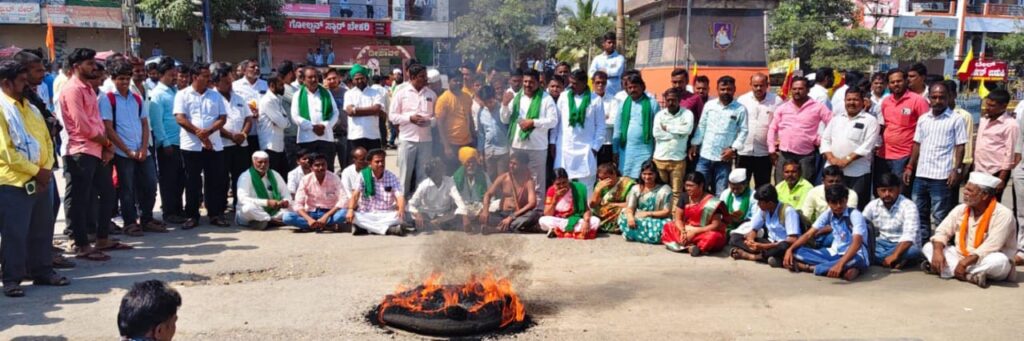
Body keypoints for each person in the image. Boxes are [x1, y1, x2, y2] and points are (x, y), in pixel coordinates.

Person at [0, 60, 68, 297]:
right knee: (15, 233)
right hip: (13, 181)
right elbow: (6, 152)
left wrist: (46, 169)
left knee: (42, 228)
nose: (26, 84)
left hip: (41, 176)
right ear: (6, 83)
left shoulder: (31, 107)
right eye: (21, 80)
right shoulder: (1, 108)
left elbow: (47, 140)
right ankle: (11, 279)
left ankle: (42, 271)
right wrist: (36, 171)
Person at [59, 48, 120, 260]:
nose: (94, 67)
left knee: (108, 194)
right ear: (77, 67)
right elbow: (82, 126)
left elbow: (95, 122)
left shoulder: (87, 88)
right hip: (80, 151)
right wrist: (106, 143)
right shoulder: (72, 89)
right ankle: (81, 244)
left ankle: (102, 238)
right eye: (89, 63)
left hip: (96, 149)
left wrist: (105, 146)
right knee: (81, 200)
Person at [100, 59, 163, 236]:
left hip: (142, 149)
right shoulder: (108, 99)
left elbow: (144, 123)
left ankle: (147, 218)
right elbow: (108, 128)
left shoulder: (136, 98)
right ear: (113, 79)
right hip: (122, 151)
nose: (125, 82)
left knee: (150, 184)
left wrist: (143, 148)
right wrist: (127, 151)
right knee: (127, 189)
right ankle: (130, 222)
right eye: (121, 79)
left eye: (127, 78)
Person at [922, 172, 1017, 288]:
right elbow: (942, 231)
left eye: (970, 191)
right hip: (961, 256)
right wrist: (937, 251)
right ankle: (969, 276)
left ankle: (949, 270)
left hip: (986, 259)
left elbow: (992, 245)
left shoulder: (1003, 214)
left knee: (999, 261)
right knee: (929, 247)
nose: (964, 193)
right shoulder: (961, 209)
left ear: (985, 195)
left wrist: (964, 263)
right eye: (965, 189)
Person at [906, 82, 966, 243]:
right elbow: (917, 144)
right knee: (920, 214)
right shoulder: (923, 119)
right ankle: (924, 247)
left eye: (942, 97)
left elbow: (960, 146)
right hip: (921, 174)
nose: (938, 100)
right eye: (934, 97)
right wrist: (910, 166)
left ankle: (941, 247)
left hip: (941, 176)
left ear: (948, 98)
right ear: (929, 98)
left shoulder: (956, 119)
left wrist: (956, 170)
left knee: (940, 215)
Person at [174, 62, 230, 228]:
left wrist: (209, 132)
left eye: (208, 76)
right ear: (194, 77)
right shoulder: (182, 95)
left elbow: (222, 118)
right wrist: (200, 134)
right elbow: (180, 119)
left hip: (214, 144)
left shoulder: (215, 95)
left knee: (215, 180)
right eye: (205, 76)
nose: (208, 79)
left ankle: (215, 214)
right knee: (192, 181)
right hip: (191, 146)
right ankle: (192, 215)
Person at [783, 185, 870, 281]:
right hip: (834, 253)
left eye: (841, 202)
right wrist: (790, 249)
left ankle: (810, 268)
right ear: (828, 203)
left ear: (846, 200)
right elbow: (809, 234)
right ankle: (840, 269)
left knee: (856, 260)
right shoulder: (828, 214)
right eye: (834, 203)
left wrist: (839, 264)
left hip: (855, 254)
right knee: (797, 252)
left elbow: (857, 244)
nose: (838, 206)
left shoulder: (855, 215)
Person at [500, 68, 556, 201]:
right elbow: (504, 119)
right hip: (517, 145)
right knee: (517, 178)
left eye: (531, 82)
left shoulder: (546, 99)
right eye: (525, 81)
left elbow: (553, 121)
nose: (527, 85)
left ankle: (537, 211)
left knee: (537, 181)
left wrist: (533, 122)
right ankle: (518, 207)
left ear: (538, 83)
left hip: (537, 147)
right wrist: (504, 105)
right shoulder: (516, 97)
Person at [821, 86, 878, 210]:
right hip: (834, 172)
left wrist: (846, 160)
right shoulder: (836, 119)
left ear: (863, 101)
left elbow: (867, 146)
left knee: (856, 206)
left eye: (855, 99)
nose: (851, 102)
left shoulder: (870, 121)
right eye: (848, 99)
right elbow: (825, 140)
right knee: (832, 205)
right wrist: (832, 159)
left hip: (858, 173)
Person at [767, 76, 831, 184]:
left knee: (805, 187)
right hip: (785, 154)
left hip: (806, 156)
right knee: (781, 186)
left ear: (808, 90)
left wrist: (820, 140)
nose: (797, 91)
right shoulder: (783, 107)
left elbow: (832, 124)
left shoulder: (818, 107)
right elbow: (772, 128)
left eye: (800, 88)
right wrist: (771, 149)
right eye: (794, 89)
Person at [689, 76, 747, 195]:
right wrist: (695, 143)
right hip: (705, 155)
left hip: (724, 158)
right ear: (717, 89)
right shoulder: (710, 105)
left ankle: (717, 214)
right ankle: (699, 213)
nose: (726, 92)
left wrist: (733, 149)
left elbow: (744, 131)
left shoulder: (740, 109)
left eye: (729, 89)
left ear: (734, 89)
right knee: (699, 189)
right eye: (723, 89)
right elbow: (702, 125)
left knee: (721, 192)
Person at [876, 69, 929, 194]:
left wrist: (913, 162)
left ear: (906, 81)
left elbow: (927, 129)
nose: (896, 84)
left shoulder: (918, 101)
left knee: (899, 193)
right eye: (892, 82)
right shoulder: (885, 102)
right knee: (881, 192)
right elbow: (883, 126)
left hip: (904, 156)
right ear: (888, 84)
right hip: (883, 155)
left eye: (899, 81)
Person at [553, 70, 605, 198]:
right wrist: (552, 143)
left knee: (586, 185)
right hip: (565, 147)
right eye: (570, 83)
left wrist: (594, 148)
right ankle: (565, 213)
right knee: (564, 183)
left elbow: (601, 127)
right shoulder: (564, 96)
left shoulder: (596, 100)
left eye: (575, 83)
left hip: (586, 150)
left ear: (583, 83)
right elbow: (556, 122)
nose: (571, 86)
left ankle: (585, 213)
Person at [147, 57, 186, 224]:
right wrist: (164, 142)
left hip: (181, 141)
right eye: (171, 75)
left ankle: (178, 209)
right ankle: (169, 211)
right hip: (168, 144)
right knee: (168, 179)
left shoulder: (175, 92)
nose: (175, 78)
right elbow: (156, 121)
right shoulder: (157, 95)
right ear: (162, 75)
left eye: (175, 74)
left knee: (180, 178)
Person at [390, 64, 437, 198]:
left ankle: (419, 205)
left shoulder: (431, 95)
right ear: (412, 77)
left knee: (423, 175)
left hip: (426, 140)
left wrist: (430, 122)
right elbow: (392, 116)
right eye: (422, 77)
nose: (425, 79)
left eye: (425, 76)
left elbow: (436, 118)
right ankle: (402, 205)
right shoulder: (401, 93)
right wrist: (410, 118)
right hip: (407, 140)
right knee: (405, 174)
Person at [212, 64, 254, 212]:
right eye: (225, 82)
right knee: (221, 178)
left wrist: (243, 134)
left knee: (241, 177)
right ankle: (220, 207)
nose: (229, 84)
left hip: (241, 144)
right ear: (216, 83)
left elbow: (249, 118)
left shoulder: (239, 98)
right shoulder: (213, 98)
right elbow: (213, 122)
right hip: (222, 145)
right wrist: (230, 135)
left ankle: (239, 205)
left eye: (230, 81)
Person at [728, 184, 801, 265]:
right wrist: (751, 241)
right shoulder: (764, 210)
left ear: (770, 203)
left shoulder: (788, 211)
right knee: (735, 237)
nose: (758, 205)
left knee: (783, 247)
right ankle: (771, 257)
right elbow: (754, 229)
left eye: (760, 202)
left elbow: (793, 239)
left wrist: (763, 246)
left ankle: (750, 256)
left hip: (781, 244)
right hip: (769, 242)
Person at [862, 173, 921, 269]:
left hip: (902, 245)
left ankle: (878, 259)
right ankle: (894, 261)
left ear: (898, 189)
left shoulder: (909, 206)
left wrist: (895, 255)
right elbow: (861, 224)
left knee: (913, 251)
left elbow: (909, 236)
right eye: (883, 190)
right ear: (877, 191)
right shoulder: (873, 205)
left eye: (890, 190)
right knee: (862, 245)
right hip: (881, 243)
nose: (887, 194)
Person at [662, 172, 728, 256]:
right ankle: (691, 247)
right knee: (668, 226)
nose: (688, 188)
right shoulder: (684, 197)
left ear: (701, 186)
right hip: (687, 229)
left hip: (703, 232)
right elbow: (677, 218)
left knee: (713, 237)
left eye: (691, 186)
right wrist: (683, 231)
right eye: (686, 185)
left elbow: (715, 225)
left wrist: (695, 232)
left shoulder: (712, 202)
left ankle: (689, 246)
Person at [346, 149, 407, 236]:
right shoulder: (363, 175)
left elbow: (399, 196)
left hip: (386, 213)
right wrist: (350, 209)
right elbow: (355, 195)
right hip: (367, 213)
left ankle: (365, 229)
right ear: (370, 163)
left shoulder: (391, 176)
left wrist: (401, 209)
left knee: (400, 217)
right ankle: (389, 230)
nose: (381, 164)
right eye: (377, 162)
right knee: (353, 217)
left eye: (382, 161)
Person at [736, 73, 783, 188]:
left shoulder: (776, 101)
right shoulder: (742, 100)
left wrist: (777, 144)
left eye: (761, 85)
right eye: (755, 85)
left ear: (767, 85)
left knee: (763, 187)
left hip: (764, 153)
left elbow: (781, 124)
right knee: (741, 186)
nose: (758, 88)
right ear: (750, 85)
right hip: (743, 151)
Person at [291, 67, 339, 171]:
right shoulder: (297, 95)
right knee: (308, 169)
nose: (313, 79)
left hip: (326, 137)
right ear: (303, 80)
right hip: (306, 139)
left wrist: (325, 126)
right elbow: (295, 115)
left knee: (327, 169)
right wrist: (312, 127)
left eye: (316, 77)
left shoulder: (326, 93)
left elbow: (335, 112)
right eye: (310, 77)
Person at [283, 153, 346, 232]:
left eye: (323, 164)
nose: (321, 168)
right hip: (311, 213)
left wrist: (326, 216)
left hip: (329, 213)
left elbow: (343, 199)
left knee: (345, 213)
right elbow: (298, 203)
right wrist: (309, 219)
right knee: (287, 217)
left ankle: (314, 226)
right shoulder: (305, 180)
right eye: (317, 165)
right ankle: (324, 226)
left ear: (327, 165)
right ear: (311, 167)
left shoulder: (334, 178)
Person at [479, 152, 540, 233]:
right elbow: (488, 194)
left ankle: (499, 229)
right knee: (482, 215)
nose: (511, 166)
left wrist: (511, 217)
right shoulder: (503, 178)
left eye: (515, 164)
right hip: (502, 215)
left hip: (518, 215)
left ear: (523, 166)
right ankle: (513, 227)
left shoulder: (529, 181)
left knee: (533, 215)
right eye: (510, 163)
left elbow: (532, 203)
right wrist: (485, 210)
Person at [973, 90, 1018, 198]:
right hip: (978, 170)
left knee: (990, 206)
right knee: (975, 203)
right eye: (987, 104)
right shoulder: (984, 120)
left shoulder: (1010, 125)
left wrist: (1001, 179)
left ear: (1004, 106)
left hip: (995, 172)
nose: (987, 108)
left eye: (992, 106)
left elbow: (1010, 154)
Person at [614, 72, 660, 178]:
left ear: (642, 87)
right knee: (625, 178)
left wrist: (655, 152)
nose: (632, 90)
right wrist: (615, 151)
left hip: (645, 149)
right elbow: (617, 129)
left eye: (635, 87)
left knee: (643, 177)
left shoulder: (652, 104)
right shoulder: (623, 104)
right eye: (629, 87)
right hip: (626, 149)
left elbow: (657, 130)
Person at [652, 87, 693, 205]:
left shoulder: (687, 114)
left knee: (677, 192)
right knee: (660, 191)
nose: (670, 103)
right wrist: (679, 135)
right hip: (660, 159)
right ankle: (662, 215)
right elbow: (657, 134)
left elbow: (688, 130)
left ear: (679, 100)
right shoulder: (659, 115)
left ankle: (675, 217)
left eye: (673, 100)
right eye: (668, 100)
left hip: (678, 160)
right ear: (665, 100)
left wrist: (668, 128)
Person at [618, 161, 673, 244]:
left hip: (657, 219)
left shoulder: (665, 190)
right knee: (623, 216)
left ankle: (635, 235)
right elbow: (630, 208)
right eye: (644, 174)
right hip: (639, 218)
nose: (647, 177)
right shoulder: (636, 188)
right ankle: (652, 236)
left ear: (656, 174)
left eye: (650, 174)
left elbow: (667, 212)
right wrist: (630, 217)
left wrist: (648, 213)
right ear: (641, 174)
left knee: (667, 224)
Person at [537, 168, 600, 239]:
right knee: (543, 220)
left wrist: (586, 221)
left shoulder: (578, 188)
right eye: (558, 184)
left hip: (576, 219)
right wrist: (555, 199)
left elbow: (586, 210)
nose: (562, 186)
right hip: (559, 219)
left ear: (568, 180)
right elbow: (547, 214)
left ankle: (558, 231)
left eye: (564, 182)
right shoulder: (551, 191)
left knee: (596, 221)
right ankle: (572, 231)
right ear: (553, 183)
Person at [236, 151, 290, 230]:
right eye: (260, 162)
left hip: (274, 210)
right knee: (248, 208)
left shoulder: (274, 174)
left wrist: (285, 202)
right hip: (254, 211)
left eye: (266, 162)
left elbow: (286, 193)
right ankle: (271, 220)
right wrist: (266, 202)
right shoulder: (245, 176)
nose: (263, 165)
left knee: (294, 205)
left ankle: (264, 221)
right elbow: (242, 199)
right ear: (253, 162)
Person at [408, 158, 466, 232]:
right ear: (430, 174)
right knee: (409, 216)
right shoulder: (423, 185)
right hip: (427, 214)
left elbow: (458, 199)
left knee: (459, 213)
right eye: (435, 172)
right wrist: (417, 214)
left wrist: (464, 214)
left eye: (440, 170)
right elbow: (411, 204)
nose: (439, 173)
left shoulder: (449, 181)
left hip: (445, 215)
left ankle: (434, 224)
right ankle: (434, 224)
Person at [343, 64, 385, 157]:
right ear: (352, 80)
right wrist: (371, 111)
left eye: (362, 78)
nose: (359, 81)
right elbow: (349, 112)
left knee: (373, 164)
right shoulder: (349, 94)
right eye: (356, 79)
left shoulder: (375, 93)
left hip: (373, 135)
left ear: (366, 78)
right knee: (355, 165)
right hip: (355, 135)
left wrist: (356, 110)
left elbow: (377, 109)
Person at [801, 166, 860, 230]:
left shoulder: (851, 194)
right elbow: (806, 216)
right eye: (830, 181)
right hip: (817, 228)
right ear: (823, 181)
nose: (834, 184)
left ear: (842, 181)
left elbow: (846, 220)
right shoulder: (814, 192)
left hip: (840, 229)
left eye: (837, 181)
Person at [436, 70, 476, 161]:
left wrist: (474, 135)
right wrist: (446, 147)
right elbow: (440, 123)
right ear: (448, 81)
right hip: (451, 144)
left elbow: (469, 117)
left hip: (467, 142)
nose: (458, 83)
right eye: (455, 81)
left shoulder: (467, 97)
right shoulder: (443, 99)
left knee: (466, 172)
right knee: (452, 174)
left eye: (460, 81)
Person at [256, 72, 290, 177]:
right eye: (280, 85)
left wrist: (283, 121)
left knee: (281, 178)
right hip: (270, 146)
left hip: (279, 145)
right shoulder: (267, 101)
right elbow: (283, 123)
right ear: (272, 85)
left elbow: (286, 122)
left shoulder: (277, 99)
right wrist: (283, 121)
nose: (283, 87)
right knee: (271, 179)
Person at [474, 85, 509, 179]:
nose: (489, 105)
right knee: (491, 177)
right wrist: (481, 153)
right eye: (486, 103)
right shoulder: (481, 112)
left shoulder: (502, 109)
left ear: (494, 97)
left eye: (490, 102)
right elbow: (481, 134)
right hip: (489, 151)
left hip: (503, 150)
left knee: (502, 178)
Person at [453, 147, 490, 230]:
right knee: (455, 212)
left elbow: (491, 195)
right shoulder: (455, 178)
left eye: (473, 162)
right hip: (463, 208)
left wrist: (484, 210)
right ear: (463, 163)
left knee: (495, 205)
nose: (471, 165)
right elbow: (454, 199)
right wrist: (464, 213)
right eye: (468, 162)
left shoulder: (484, 175)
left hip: (479, 207)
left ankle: (481, 222)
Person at [592, 71, 619, 167]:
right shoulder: (589, 100)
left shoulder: (613, 100)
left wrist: (596, 121)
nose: (600, 85)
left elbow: (614, 121)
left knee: (605, 172)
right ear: (592, 83)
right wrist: (604, 118)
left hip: (607, 143)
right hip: (591, 142)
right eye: (597, 82)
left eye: (603, 83)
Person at [588, 32, 625, 96]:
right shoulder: (597, 58)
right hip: (598, 94)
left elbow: (617, 72)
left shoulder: (620, 58)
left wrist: (600, 72)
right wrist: (608, 73)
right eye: (609, 42)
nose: (612, 45)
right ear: (603, 44)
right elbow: (591, 73)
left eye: (613, 43)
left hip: (614, 94)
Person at [720, 168, 755, 234]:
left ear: (746, 184)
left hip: (745, 226)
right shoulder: (725, 193)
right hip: (728, 225)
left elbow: (755, 218)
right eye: (733, 188)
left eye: (738, 188)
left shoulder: (753, 195)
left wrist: (741, 221)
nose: (735, 191)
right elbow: (720, 213)